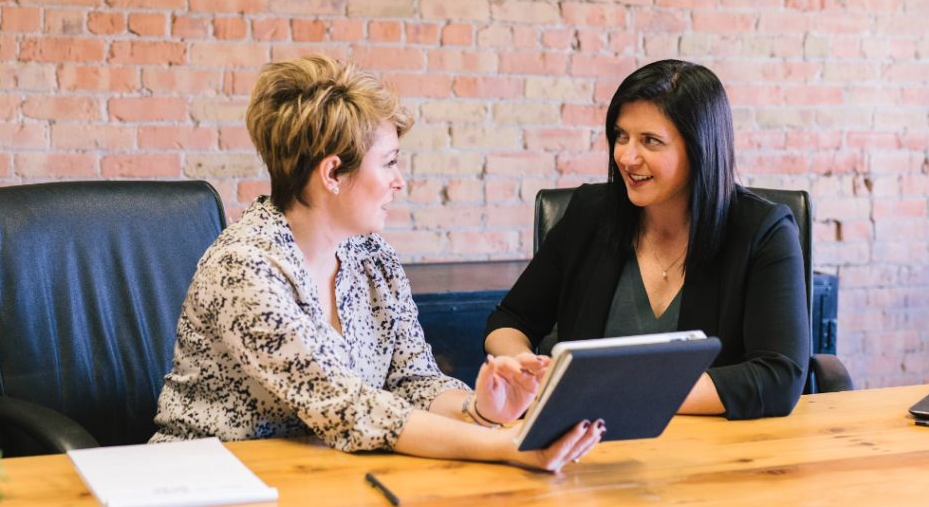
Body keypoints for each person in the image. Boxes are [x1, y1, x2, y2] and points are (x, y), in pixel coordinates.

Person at [150, 54, 603, 470]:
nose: (399, 181)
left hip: (325, 474)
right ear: (332, 174)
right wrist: (507, 445)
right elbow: (348, 407)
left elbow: (414, 379)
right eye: (388, 163)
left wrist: (481, 409)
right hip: (209, 480)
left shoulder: (371, 256)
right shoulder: (244, 268)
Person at [484, 60, 809, 420]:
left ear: (700, 147)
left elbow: (779, 375)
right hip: (586, 444)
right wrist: (523, 368)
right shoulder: (590, 214)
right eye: (621, 136)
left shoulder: (764, 231)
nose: (626, 156)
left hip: (711, 449)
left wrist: (618, 393)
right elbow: (510, 319)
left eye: (650, 141)